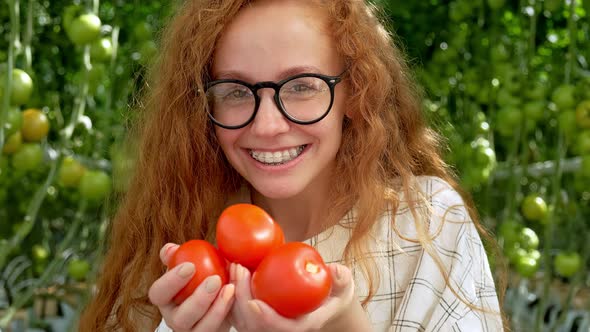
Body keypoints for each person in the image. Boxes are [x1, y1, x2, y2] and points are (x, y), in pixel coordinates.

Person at [79, 0, 505, 331]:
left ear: (355, 93)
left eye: (302, 86)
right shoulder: (181, 231)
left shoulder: (428, 225)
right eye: (235, 91)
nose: (267, 125)